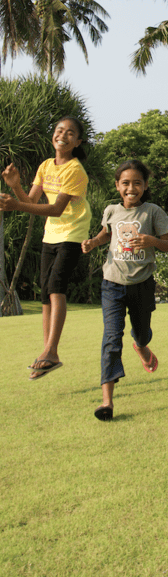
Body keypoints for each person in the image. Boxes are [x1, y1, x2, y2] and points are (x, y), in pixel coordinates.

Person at [1, 116, 92, 380]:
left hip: (72, 235)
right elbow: (30, 201)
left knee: (55, 287)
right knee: (44, 294)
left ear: (77, 142)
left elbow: (55, 208)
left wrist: (16, 205)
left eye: (70, 133)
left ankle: (51, 351)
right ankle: (47, 354)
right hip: (50, 236)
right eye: (59, 130)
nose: (62, 135)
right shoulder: (45, 166)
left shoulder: (75, 170)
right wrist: (15, 186)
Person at [82, 160, 168, 421]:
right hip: (112, 283)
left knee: (142, 333)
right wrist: (92, 242)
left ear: (145, 186)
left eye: (137, 183)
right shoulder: (111, 210)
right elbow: (106, 235)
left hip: (142, 284)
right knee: (111, 340)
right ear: (117, 186)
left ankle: (142, 346)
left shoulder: (153, 212)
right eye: (125, 183)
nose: (131, 187)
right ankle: (107, 402)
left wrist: (150, 240)